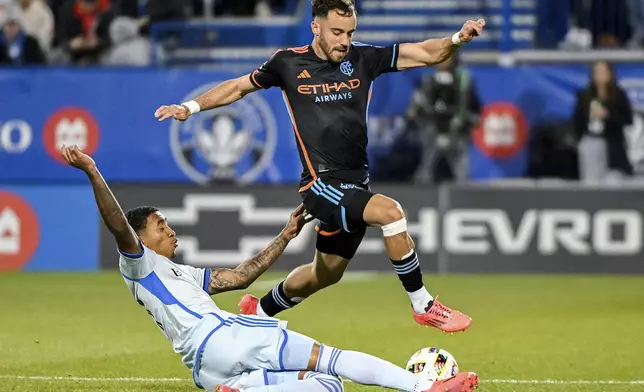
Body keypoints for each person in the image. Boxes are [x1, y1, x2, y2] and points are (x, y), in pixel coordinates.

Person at [155, 0, 485, 333]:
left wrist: (457, 39)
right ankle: (423, 304)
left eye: (351, 32)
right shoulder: (287, 63)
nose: (345, 40)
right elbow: (239, 87)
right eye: (337, 32)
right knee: (391, 213)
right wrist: (190, 107)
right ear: (316, 27)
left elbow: (425, 53)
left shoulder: (364, 58)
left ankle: (258, 311)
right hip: (320, 185)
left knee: (324, 274)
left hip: (356, 184)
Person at [60, 144, 479, 392]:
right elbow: (116, 222)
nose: (169, 229)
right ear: (141, 237)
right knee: (332, 361)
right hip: (225, 337)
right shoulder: (138, 265)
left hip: (206, 368)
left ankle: (241, 388)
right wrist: (93, 172)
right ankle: (427, 386)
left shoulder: (182, 276)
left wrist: (286, 235)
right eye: (160, 225)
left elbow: (241, 276)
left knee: (326, 386)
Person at [573, 60, 634, 184]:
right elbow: (578, 121)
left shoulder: (619, 95)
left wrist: (608, 115)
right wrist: (581, 140)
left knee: (614, 180)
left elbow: (628, 119)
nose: (600, 75)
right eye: (597, 71)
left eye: (603, 71)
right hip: (591, 141)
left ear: (610, 73)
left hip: (613, 143)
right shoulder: (585, 95)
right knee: (591, 181)